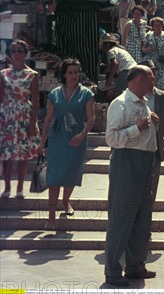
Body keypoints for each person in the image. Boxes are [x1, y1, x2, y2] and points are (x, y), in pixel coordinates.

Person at [104, 66, 158, 287]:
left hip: (145, 162)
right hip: (127, 161)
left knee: (141, 217)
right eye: (151, 78)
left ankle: (135, 265)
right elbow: (112, 138)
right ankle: (113, 271)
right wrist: (139, 127)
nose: (154, 81)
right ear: (140, 79)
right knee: (121, 217)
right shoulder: (120, 103)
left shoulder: (143, 102)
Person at [37, 59, 95, 230]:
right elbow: (48, 119)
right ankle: (51, 217)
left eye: (76, 72)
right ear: (64, 74)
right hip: (57, 138)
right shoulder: (54, 94)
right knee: (54, 177)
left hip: (76, 138)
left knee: (71, 173)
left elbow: (91, 119)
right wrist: (42, 142)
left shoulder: (86, 94)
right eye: (70, 72)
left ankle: (66, 200)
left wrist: (82, 134)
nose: (74, 75)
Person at [0, 40, 40, 199]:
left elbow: (36, 101)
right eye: (14, 51)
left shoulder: (32, 75)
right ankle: (7, 187)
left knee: (23, 155)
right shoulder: (3, 74)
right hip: (7, 116)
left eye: (20, 51)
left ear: (25, 54)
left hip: (24, 115)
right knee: (7, 154)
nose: (16, 54)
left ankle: (20, 188)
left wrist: (32, 123)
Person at [139, 60, 164, 209]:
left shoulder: (163, 97)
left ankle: (148, 219)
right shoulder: (130, 96)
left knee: (153, 185)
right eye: (149, 74)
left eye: (154, 72)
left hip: (155, 146)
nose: (153, 77)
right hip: (136, 146)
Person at [101, 33, 137, 99]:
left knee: (119, 95)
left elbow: (115, 64)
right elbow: (111, 67)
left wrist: (110, 78)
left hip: (126, 71)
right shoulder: (119, 50)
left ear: (108, 44)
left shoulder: (111, 51)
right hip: (134, 71)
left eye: (103, 45)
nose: (103, 48)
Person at [142, 17, 164, 90]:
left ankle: (162, 96)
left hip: (163, 61)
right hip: (151, 61)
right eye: (156, 25)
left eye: (159, 25)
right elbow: (143, 48)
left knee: (162, 81)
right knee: (151, 79)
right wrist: (148, 49)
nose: (158, 27)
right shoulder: (148, 35)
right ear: (153, 26)